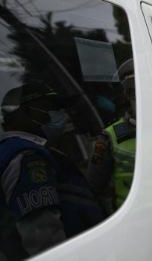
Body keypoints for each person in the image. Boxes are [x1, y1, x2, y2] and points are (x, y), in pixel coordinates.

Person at [0, 83, 105, 260]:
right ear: (24, 112)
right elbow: (43, 235)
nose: (61, 116)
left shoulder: (24, 149)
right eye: (50, 108)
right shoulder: (27, 156)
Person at [87, 59, 136, 213]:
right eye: (133, 91)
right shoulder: (109, 137)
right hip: (130, 222)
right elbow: (94, 187)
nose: (141, 96)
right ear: (126, 96)